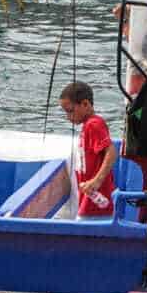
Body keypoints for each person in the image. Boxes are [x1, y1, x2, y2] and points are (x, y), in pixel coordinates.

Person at [60, 81, 117, 219]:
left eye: (70, 111)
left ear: (85, 104)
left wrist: (96, 181)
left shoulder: (94, 125)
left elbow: (111, 152)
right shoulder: (87, 126)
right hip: (89, 198)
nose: (68, 117)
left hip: (96, 202)